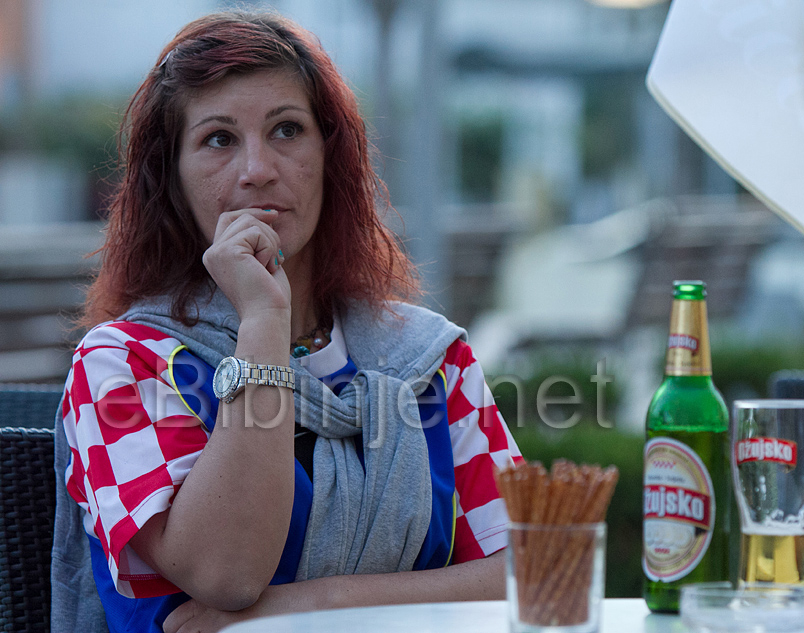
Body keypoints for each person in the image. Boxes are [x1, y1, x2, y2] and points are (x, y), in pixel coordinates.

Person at [51, 11, 523, 633]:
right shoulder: (122, 363)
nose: (258, 169)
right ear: (172, 180)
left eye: (287, 130)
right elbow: (226, 573)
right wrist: (264, 318)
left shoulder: (430, 356)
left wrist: (306, 606)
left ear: (331, 156)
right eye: (218, 139)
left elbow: (529, 569)